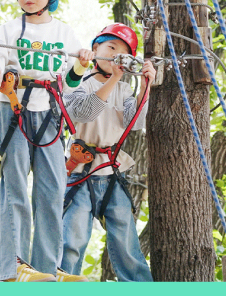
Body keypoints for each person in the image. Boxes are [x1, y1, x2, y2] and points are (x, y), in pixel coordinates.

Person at [0, 0, 90, 283]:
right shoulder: (6, 30)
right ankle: (14, 266)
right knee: (14, 186)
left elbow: (71, 83)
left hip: (51, 112)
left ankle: (46, 267)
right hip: (13, 108)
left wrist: (81, 65)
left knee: (51, 188)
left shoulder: (64, 33)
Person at [61, 25, 155, 283]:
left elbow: (134, 122)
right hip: (80, 170)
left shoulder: (125, 90)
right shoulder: (77, 82)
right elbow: (83, 113)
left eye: (123, 54)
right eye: (111, 48)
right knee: (73, 238)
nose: (115, 56)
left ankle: (139, 285)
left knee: (125, 239)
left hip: (111, 171)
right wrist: (113, 78)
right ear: (95, 50)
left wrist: (146, 87)